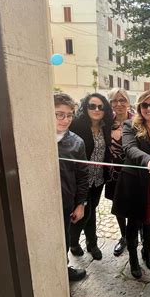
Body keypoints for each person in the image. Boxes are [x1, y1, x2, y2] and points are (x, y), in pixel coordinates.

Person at [111, 91, 150, 279]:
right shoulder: (130, 125)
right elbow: (130, 148)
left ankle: (147, 253)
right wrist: (149, 160)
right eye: (144, 105)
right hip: (134, 182)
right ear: (139, 108)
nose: (148, 109)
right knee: (134, 222)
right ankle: (134, 260)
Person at [69, 93, 113, 260]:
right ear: (85, 107)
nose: (96, 109)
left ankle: (91, 243)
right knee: (83, 212)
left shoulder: (105, 126)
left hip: (98, 178)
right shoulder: (77, 125)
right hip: (81, 179)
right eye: (92, 106)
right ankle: (74, 242)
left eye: (100, 106)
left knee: (92, 210)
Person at [54, 93, 89, 281]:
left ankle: (64, 268)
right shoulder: (36, 138)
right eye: (59, 114)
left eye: (69, 115)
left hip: (65, 201)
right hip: (39, 202)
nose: (65, 119)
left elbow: (83, 176)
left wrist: (80, 203)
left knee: (64, 238)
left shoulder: (77, 142)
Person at [105, 88, 133, 257]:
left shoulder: (138, 122)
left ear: (128, 102)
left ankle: (135, 236)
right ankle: (124, 236)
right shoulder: (107, 122)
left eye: (122, 100)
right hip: (112, 172)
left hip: (132, 172)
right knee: (117, 207)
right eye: (115, 100)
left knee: (133, 204)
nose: (119, 104)